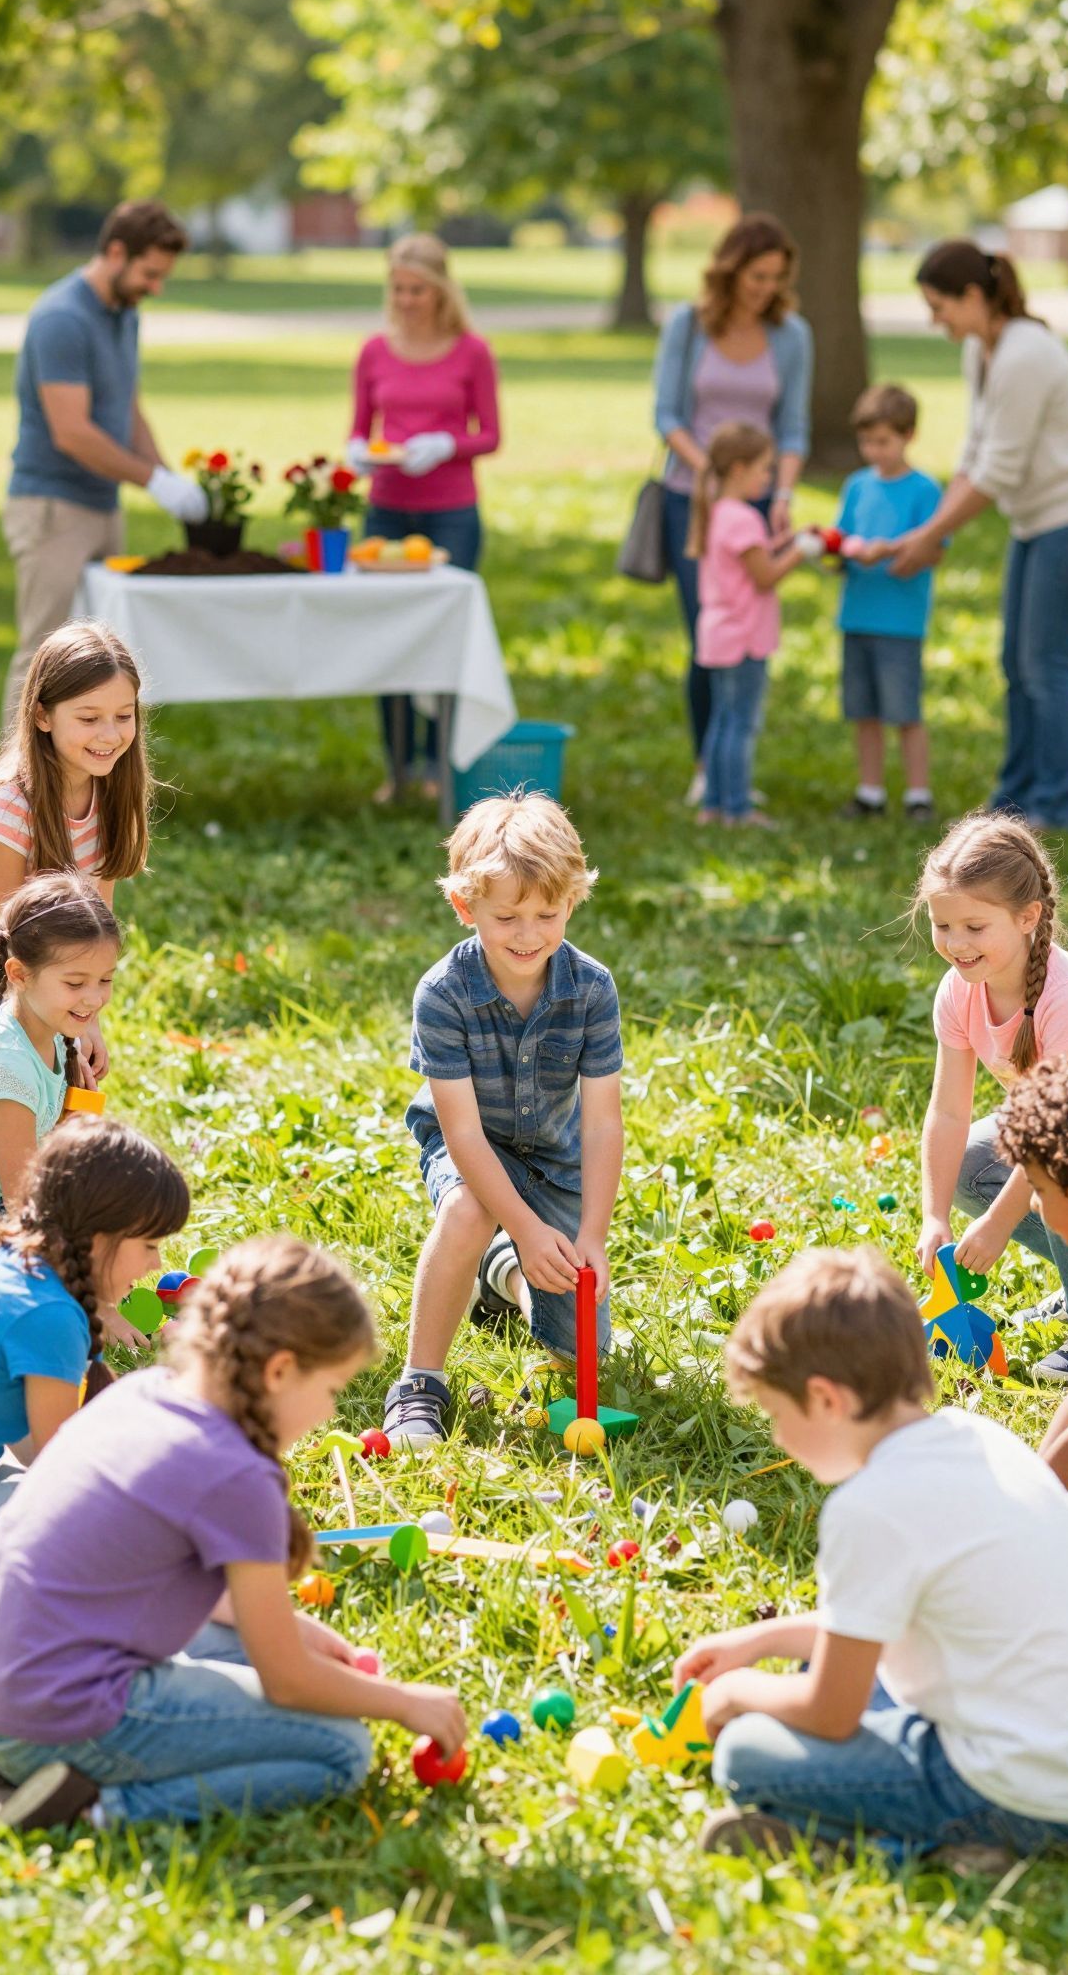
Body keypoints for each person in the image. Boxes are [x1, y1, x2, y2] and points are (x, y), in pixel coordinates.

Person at [0, 1235, 466, 1833]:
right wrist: (408, 1703)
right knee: (340, 1748)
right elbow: (288, 1679)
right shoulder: (237, 1475)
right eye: (329, 1391)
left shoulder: (146, 1395)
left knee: (259, 1656)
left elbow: (178, 1593)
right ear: (280, 1371)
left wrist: (298, 1630)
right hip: (55, 1711)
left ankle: (15, 1766)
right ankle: (88, 1809)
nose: (329, 1413)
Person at [677, 1245, 1068, 1863]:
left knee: (746, 1751)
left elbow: (830, 1713)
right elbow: (895, 1621)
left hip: (1021, 1796)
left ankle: (917, 1846)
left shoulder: (871, 1506)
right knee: (831, 1687)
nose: (776, 1437)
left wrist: (737, 1691)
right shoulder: (976, 1438)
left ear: (828, 1400)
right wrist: (762, 1640)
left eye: (777, 1415)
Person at [387, 790, 623, 1452]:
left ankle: (502, 1272)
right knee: (467, 1211)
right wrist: (522, 1223)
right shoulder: (444, 994)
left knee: (583, 1355)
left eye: (547, 913)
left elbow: (604, 1124)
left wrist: (594, 1239)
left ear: (572, 900)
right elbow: (462, 1133)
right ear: (466, 908)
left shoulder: (591, 989)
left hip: (552, 1155)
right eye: (507, 916)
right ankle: (418, 1385)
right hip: (468, 1146)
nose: (528, 935)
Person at [888, 240, 1068, 831]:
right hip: (1035, 517)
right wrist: (928, 531)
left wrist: (929, 537)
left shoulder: (1025, 355)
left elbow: (997, 473)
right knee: (1015, 661)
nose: (934, 319)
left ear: (973, 296)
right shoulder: (982, 352)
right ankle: (1016, 796)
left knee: (1043, 663)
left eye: (940, 306)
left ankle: (1056, 805)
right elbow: (975, 452)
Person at [914, 811, 1068, 1385]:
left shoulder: (1067, 996)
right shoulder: (960, 991)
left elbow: (1058, 1137)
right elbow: (948, 1112)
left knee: (1059, 1165)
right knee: (975, 1159)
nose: (956, 944)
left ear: (1027, 918)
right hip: (1063, 1143)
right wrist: (934, 1216)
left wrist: (1000, 1224)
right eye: (943, 925)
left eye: (975, 928)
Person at [1, 200, 209, 729]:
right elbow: (71, 431)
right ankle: (12, 798)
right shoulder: (62, 319)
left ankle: (81, 795)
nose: (156, 287)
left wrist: (165, 474)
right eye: (150, 273)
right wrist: (150, 479)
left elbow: (126, 406)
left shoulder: (123, 314)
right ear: (116, 252)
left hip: (100, 505)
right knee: (42, 659)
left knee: (94, 662)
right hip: (52, 507)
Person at [0, 1116, 189, 1558]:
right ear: (99, 1238)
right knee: (124, 1539)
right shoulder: (49, 1315)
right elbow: (57, 1470)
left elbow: (30, 1444)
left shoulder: (5, 1256)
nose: (155, 1263)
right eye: (148, 1245)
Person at [652, 214, 814, 803]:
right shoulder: (688, 327)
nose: (765, 287)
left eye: (775, 277)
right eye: (755, 275)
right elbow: (667, 416)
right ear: (730, 270)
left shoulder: (792, 335)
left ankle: (731, 770)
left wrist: (783, 496)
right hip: (691, 499)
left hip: (756, 498)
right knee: (709, 630)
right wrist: (710, 479)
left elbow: (793, 428)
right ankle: (709, 766)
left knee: (747, 628)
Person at [347, 234, 501, 799]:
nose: (406, 300)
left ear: (440, 291)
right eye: (398, 289)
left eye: (417, 290)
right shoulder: (373, 351)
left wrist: (448, 444)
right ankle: (398, 768)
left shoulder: (471, 352)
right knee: (387, 639)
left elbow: (491, 434)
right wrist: (358, 453)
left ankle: (440, 766)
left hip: (451, 511)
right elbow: (360, 429)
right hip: (386, 508)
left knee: (443, 636)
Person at [0, 622, 150, 1052]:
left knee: (54, 1109)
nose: (110, 734)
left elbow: (93, 928)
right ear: (42, 715)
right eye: (89, 718)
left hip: (46, 987)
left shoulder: (109, 790)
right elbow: (7, 936)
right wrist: (60, 1034)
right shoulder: (10, 805)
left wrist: (88, 1022)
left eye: (124, 716)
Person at [995, 1051, 1068, 1571]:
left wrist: (1023, 1520)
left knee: (1042, 1543)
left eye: (1040, 1190)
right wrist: (1033, 1485)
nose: (1036, 1206)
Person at [0, 875, 120, 1246]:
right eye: (75, 983)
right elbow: (23, 1205)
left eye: (105, 980)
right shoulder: (5, 1066)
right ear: (19, 973)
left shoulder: (51, 1037)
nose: (94, 998)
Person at [831, 385, 942, 822]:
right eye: (866, 442)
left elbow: (934, 549)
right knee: (864, 712)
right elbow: (842, 541)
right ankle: (870, 792)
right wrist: (833, 554)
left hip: (900, 623)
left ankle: (918, 794)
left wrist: (889, 551)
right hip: (857, 616)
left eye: (883, 441)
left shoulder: (925, 490)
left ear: (908, 435)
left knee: (905, 713)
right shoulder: (856, 486)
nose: (873, 451)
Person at [687, 423, 805, 828]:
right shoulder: (744, 519)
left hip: (718, 635)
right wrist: (802, 552)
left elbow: (752, 560)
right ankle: (738, 808)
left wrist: (786, 542)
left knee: (722, 719)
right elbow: (764, 576)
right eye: (764, 469)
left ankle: (714, 805)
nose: (768, 478)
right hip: (744, 639)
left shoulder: (718, 511)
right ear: (738, 469)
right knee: (741, 723)